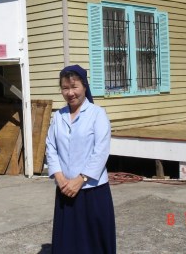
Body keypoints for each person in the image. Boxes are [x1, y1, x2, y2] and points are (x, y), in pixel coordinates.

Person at [45, 64, 116, 253]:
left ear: (84, 86)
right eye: (65, 88)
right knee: (68, 240)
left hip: (92, 190)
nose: (70, 93)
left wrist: (80, 179)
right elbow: (50, 147)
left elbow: (100, 151)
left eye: (74, 86)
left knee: (93, 242)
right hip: (65, 189)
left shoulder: (97, 114)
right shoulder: (58, 116)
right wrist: (60, 178)